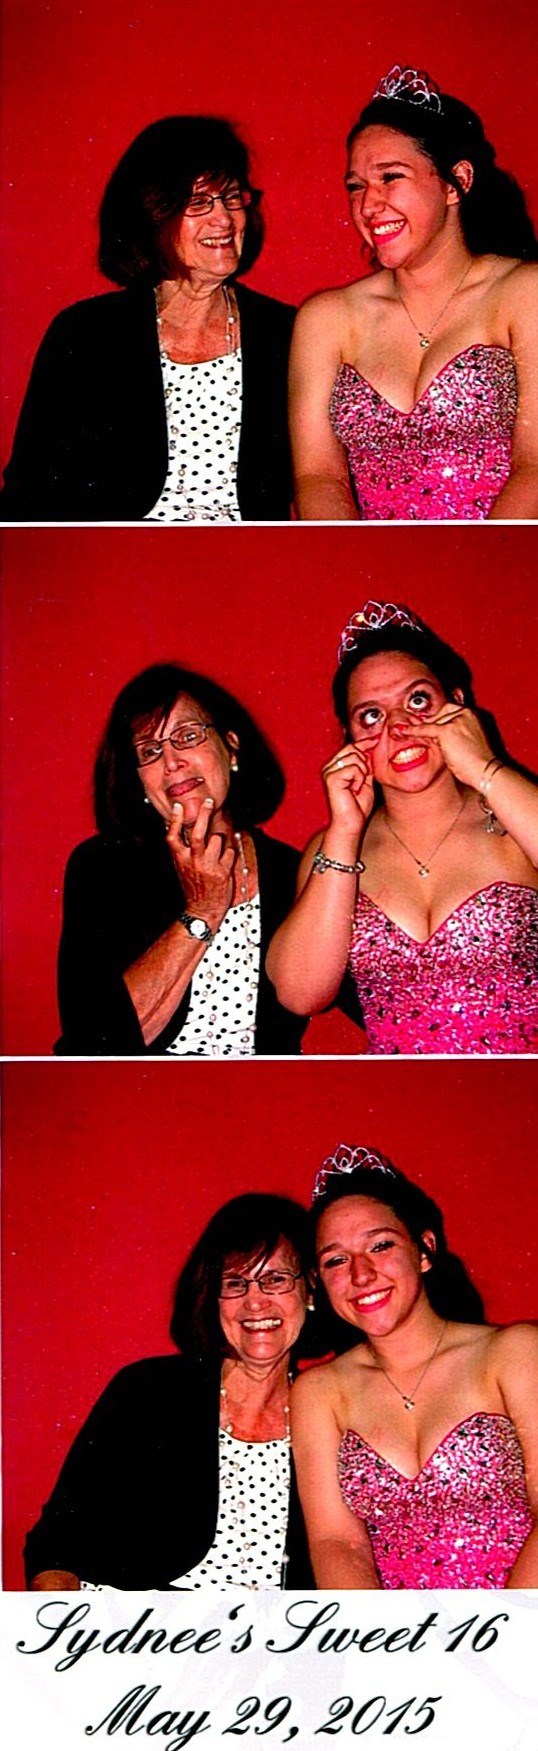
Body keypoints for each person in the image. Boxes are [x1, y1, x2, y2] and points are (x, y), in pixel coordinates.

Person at [266, 600, 538, 1054]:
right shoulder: (333, 848)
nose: (399, 728)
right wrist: (345, 832)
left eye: (417, 700)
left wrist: (483, 769)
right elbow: (300, 994)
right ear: (350, 740)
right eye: (370, 715)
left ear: (457, 705)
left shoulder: (516, 816)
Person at [1, 117, 294, 522]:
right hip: (120, 565)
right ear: (153, 214)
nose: (224, 219)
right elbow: (29, 494)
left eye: (230, 198)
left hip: (251, 564)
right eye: (198, 203)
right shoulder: (85, 335)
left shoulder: (287, 333)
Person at [25, 1193, 315, 1591]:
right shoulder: (148, 1392)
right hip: (130, 1640)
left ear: (311, 1290)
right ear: (212, 1297)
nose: (254, 1302)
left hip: (271, 1648)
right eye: (234, 1282)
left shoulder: (331, 1408)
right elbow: (54, 1548)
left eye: (276, 1279)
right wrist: (69, 1639)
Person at [290, 64, 538, 520]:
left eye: (391, 177)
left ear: (456, 182)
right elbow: (318, 478)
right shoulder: (327, 317)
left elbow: (536, 468)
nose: (368, 204)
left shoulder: (524, 292)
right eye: (356, 186)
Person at [291, 1144, 538, 1590]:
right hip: (396, 1645)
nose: (361, 1275)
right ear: (319, 1282)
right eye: (336, 1260)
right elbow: (336, 1543)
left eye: (380, 1245)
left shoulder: (516, 1353)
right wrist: (378, 1648)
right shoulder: (319, 1392)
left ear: (424, 1250)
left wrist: (505, 1637)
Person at [56, 663, 311, 1055]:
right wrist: (204, 909)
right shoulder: (101, 868)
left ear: (232, 746)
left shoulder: (292, 872)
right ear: (139, 780)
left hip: (261, 1102)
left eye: (188, 736)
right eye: (149, 751)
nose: (171, 761)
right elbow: (95, 1040)